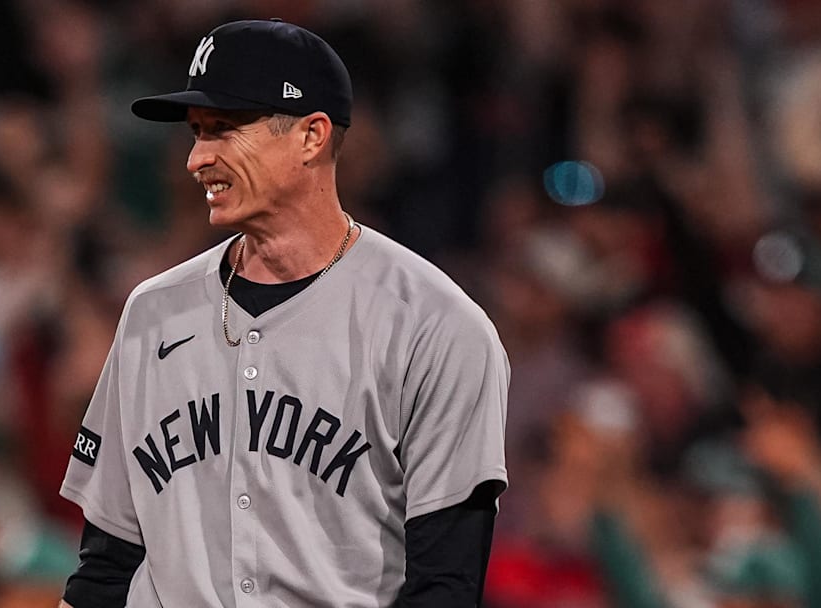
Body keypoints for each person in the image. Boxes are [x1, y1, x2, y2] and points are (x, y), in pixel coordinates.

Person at [58, 18, 509, 608]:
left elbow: (445, 587)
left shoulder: (435, 326)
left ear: (311, 135)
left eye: (222, 130)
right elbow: (105, 568)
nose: (197, 158)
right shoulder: (152, 312)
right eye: (196, 133)